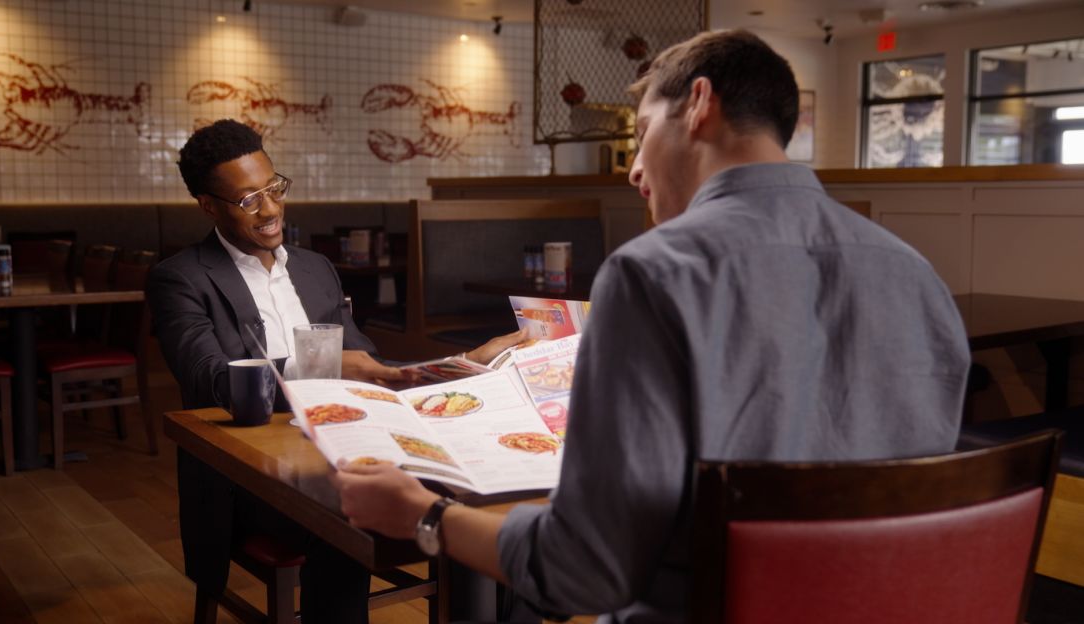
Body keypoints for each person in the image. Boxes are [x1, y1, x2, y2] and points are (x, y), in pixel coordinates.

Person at [331, 29, 971, 623]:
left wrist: (423, 514)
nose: (634, 169)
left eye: (641, 133)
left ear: (698, 104)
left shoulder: (652, 273)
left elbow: (585, 571)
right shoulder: (915, 274)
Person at [147, 118, 521, 622]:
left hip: (348, 441)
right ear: (209, 206)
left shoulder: (313, 267)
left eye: (274, 187)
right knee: (345, 517)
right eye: (248, 199)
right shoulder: (180, 279)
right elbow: (211, 381)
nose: (271, 209)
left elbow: (369, 366)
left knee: (484, 496)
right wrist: (314, 364)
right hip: (250, 472)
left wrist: (459, 366)